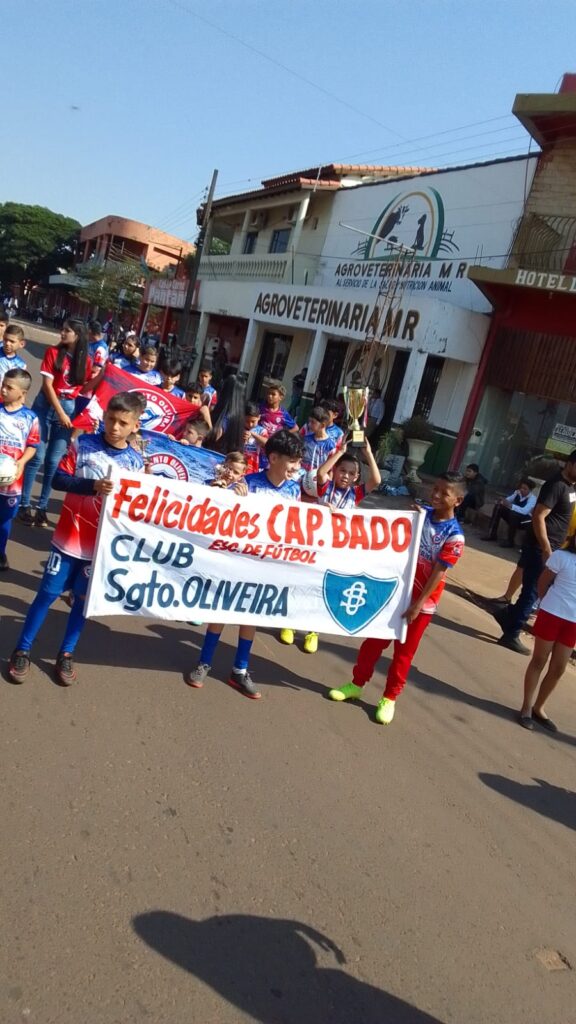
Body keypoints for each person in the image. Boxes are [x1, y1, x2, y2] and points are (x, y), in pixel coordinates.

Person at [8, 392, 146, 686]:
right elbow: (57, 479)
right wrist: (92, 486)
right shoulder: (83, 444)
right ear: (104, 415)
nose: (114, 427)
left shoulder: (136, 463)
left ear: (135, 426)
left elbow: (137, 507)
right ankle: (22, 648)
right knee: (46, 593)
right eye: (111, 418)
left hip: (100, 548)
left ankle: (67, 653)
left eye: (123, 422)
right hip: (68, 538)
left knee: (83, 602)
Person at [328, 473, 465, 725]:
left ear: (458, 500)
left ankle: (389, 698)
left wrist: (418, 605)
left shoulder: (455, 536)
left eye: (444, 493)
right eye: (435, 488)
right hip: (393, 594)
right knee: (373, 643)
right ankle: (356, 684)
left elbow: (439, 573)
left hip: (420, 605)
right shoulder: (419, 515)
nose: (435, 495)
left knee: (403, 654)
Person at [186, 429, 304, 699]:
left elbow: (298, 526)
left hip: (267, 565)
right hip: (237, 560)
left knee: (250, 615)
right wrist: (232, 499)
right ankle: (204, 661)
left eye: (298, 462)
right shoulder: (248, 484)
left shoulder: (293, 490)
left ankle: (239, 669)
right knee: (222, 610)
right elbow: (221, 516)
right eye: (291, 461)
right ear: (273, 458)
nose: (295, 468)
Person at [283, 441, 381, 655]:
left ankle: (313, 631)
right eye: (342, 471)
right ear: (335, 471)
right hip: (313, 543)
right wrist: (341, 452)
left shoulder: (356, 494)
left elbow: (376, 480)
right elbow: (321, 472)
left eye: (351, 473)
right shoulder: (326, 486)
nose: (345, 475)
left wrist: (368, 452)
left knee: (323, 589)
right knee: (302, 581)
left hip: (336, 550)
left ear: (356, 478)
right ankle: (289, 622)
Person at [493, 452, 576, 654]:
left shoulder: (570, 487)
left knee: (531, 591)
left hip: (554, 546)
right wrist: (547, 548)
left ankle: (507, 615)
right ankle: (511, 634)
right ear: (571, 464)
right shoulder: (556, 485)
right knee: (531, 593)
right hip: (541, 547)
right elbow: (539, 515)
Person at [19, 318, 92, 528]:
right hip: (46, 406)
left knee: (53, 461)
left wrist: (104, 374)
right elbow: (48, 385)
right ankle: (24, 505)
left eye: (67, 331)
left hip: (67, 409)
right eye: (63, 329)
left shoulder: (85, 361)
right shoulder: (53, 352)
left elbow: (84, 387)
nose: (62, 333)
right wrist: (60, 413)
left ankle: (42, 508)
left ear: (77, 335)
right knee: (36, 456)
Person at [518, 534, 576, 731]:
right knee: (539, 660)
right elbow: (542, 582)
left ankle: (539, 707)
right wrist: (545, 603)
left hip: (573, 622)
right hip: (552, 613)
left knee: (559, 667)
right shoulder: (562, 556)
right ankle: (526, 707)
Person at [0, 369, 40, 570]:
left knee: (5, 518)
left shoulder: (30, 418)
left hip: (12, 479)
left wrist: (22, 462)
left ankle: (1, 553)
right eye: (3, 385)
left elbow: (32, 445)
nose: (3, 389)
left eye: (9, 387)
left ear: (23, 394)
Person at [481, 477, 536, 547]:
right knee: (499, 507)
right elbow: (507, 500)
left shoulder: (532, 499)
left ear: (530, 490)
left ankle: (510, 541)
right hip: (513, 517)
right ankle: (492, 534)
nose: (522, 490)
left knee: (514, 514)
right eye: (521, 488)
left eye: (525, 489)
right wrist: (502, 501)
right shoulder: (517, 493)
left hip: (524, 521)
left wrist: (511, 506)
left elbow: (524, 511)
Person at [299, 406, 337, 474]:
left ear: (322, 425)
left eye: (313, 422)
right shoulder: (306, 439)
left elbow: (330, 469)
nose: (309, 424)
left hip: (317, 479)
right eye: (309, 421)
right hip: (301, 475)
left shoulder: (330, 445)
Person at [243, 400, 268, 474]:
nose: (250, 424)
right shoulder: (239, 427)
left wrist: (253, 434)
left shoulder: (261, 431)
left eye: (253, 421)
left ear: (259, 417)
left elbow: (267, 443)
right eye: (247, 421)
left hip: (253, 462)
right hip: (238, 460)